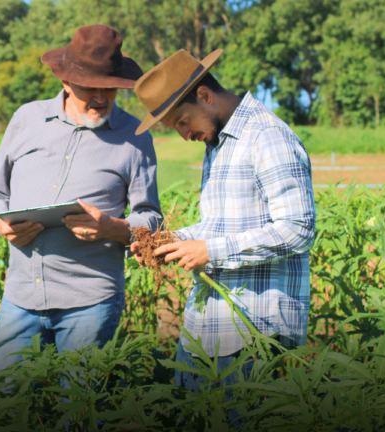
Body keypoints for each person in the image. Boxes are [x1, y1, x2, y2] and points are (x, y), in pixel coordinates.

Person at [132, 49, 316, 424]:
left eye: (183, 122)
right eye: (177, 129)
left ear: (204, 96)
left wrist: (210, 250)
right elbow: (219, 226)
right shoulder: (219, 141)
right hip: (210, 326)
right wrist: (170, 242)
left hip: (255, 330)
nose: (185, 135)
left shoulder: (266, 135)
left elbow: (298, 228)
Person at [0, 25, 162, 377]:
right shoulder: (27, 119)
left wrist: (114, 227)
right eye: (90, 88)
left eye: (110, 90)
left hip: (90, 304)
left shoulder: (135, 138)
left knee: (79, 411)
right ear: (65, 82)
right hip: (20, 297)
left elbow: (151, 218)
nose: (101, 98)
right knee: (1, 405)